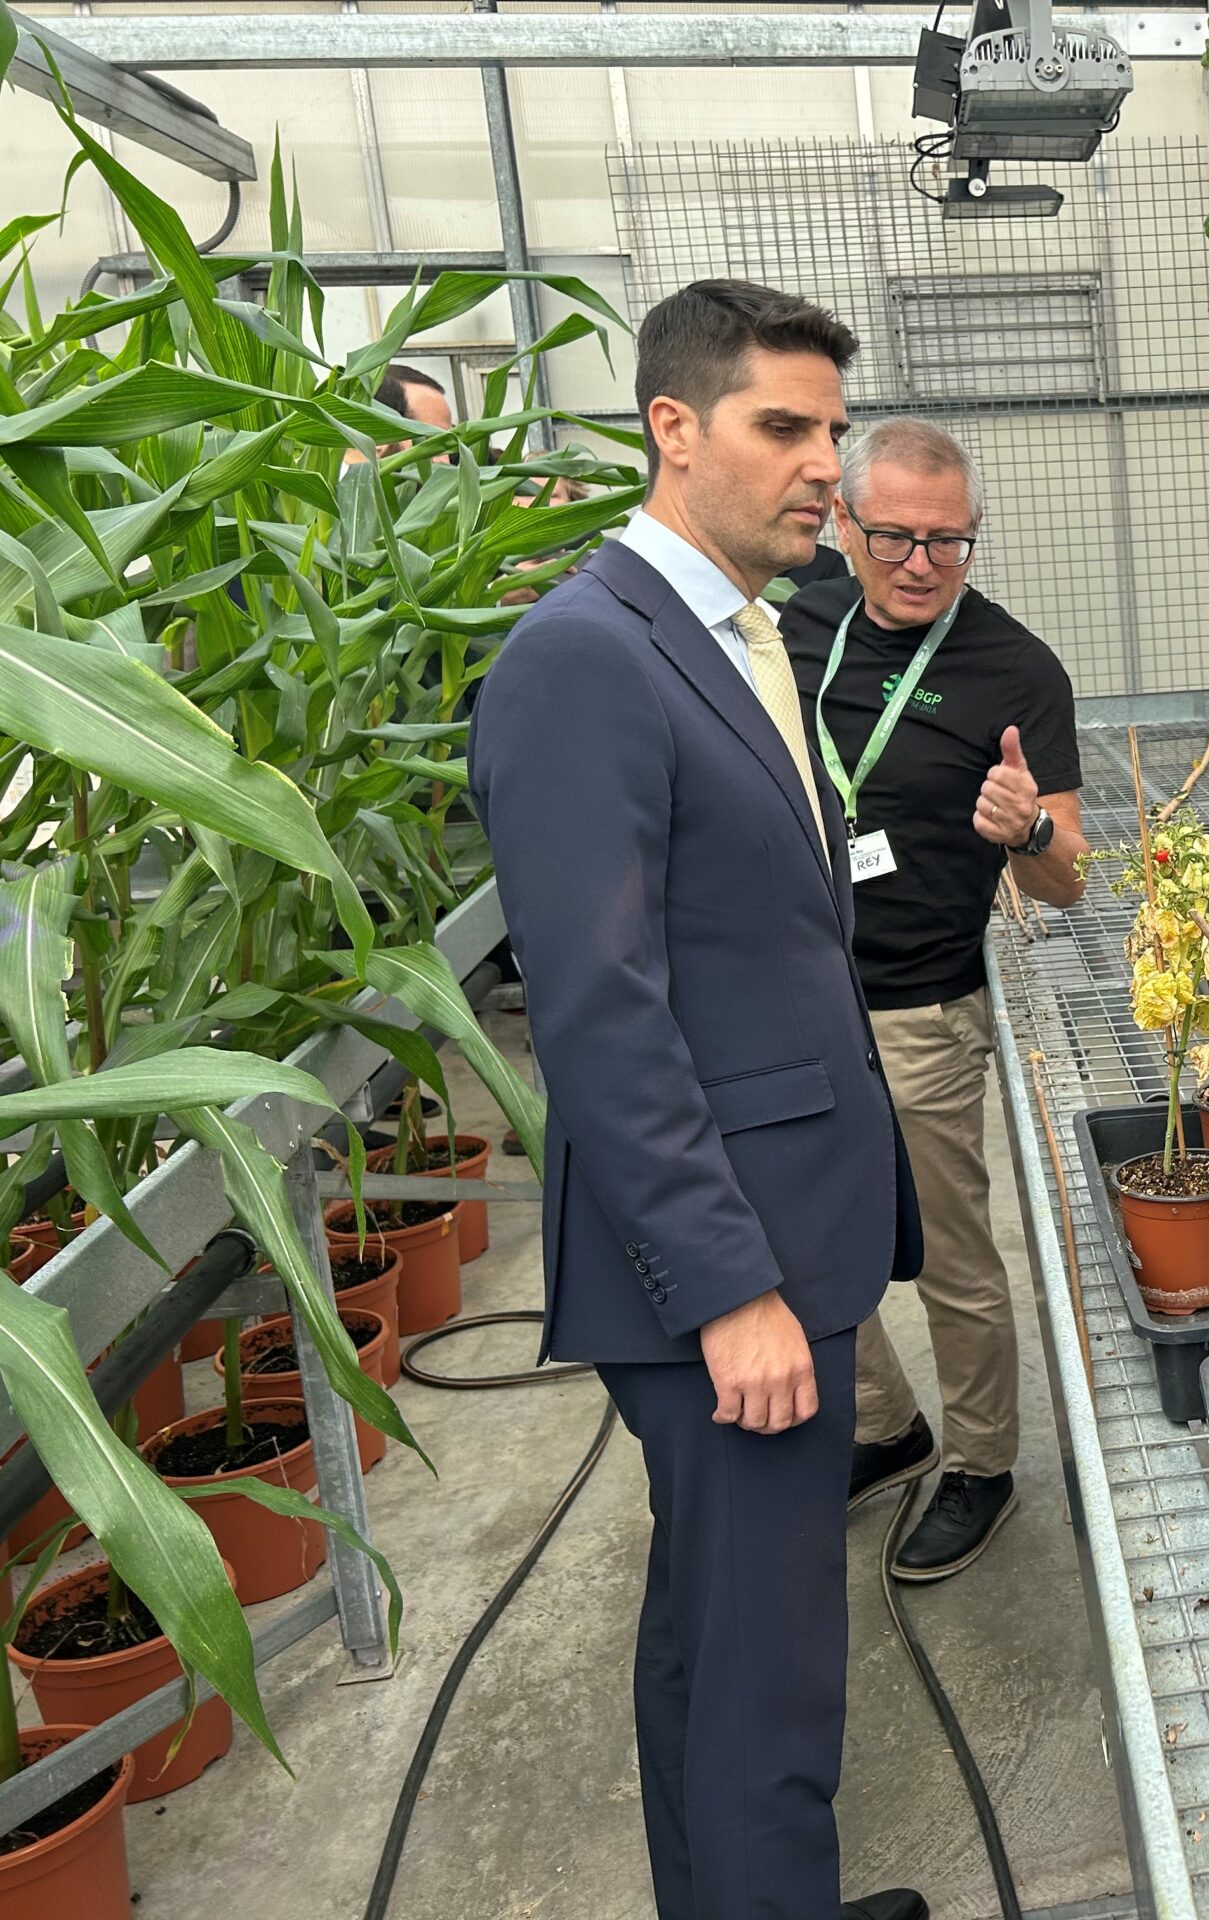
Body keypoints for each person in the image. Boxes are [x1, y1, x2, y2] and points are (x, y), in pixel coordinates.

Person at [468, 279, 927, 1920]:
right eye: (783, 428)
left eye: (833, 429)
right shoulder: (585, 660)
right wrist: (730, 1289)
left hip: (777, 1230)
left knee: (722, 1639)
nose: (827, 467)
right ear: (673, 428)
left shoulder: (738, 630)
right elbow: (599, 1016)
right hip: (729, 1267)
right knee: (771, 1673)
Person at [781, 417, 1087, 1582]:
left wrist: (1029, 834)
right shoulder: (796, 624)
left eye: (950, 540)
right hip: (795, 1002)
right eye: (897, 536)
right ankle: (883, 1426)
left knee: (951, 1252)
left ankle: (982, 1463)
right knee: (814, 1241)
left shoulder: (1015, 670)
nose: (921, 563)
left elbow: (1065, 885)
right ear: (845, 527)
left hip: (921, 1008)